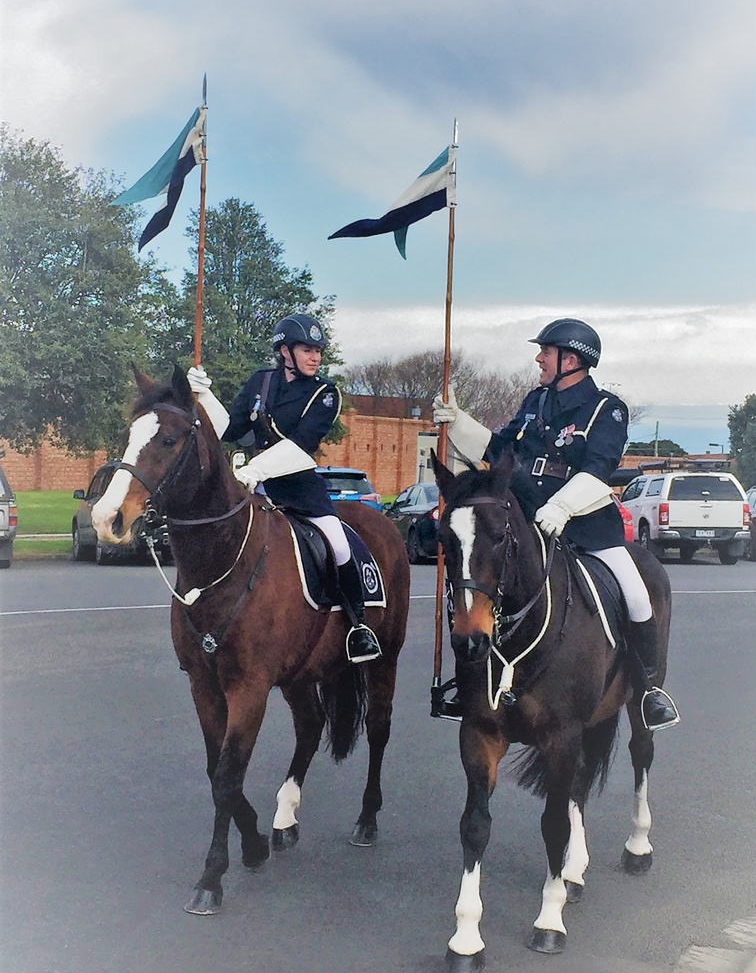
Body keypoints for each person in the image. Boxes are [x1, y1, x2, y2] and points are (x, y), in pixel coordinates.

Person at [433, 318, 679, 731]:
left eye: (545, 352)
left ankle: (649, 690)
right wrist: (458, 420)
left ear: (572, 359)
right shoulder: (535, 401)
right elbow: (499, 449)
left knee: (638, 596)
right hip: (528, 522)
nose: (539, 359)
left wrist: (563, 506)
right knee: (482, 591)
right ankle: (472, 684)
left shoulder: (606, 408)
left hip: (586, 527)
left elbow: (600, 468)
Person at [186, 313, 382, 664]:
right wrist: (204, 394)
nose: (315, 357)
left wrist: (254, 468)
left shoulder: (325, 394)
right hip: (258, 491)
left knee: (338, 546)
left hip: (300, 492)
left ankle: (359, 627)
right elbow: (227, 429)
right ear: (285, 351)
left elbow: (301, 443)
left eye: (319, 351)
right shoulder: (261, 382)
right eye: (307, 349)